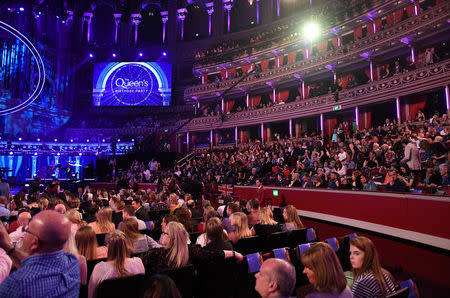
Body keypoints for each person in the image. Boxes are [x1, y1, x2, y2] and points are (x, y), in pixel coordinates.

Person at [0, 210, 80, 297]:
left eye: (26, 230)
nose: (24, 234)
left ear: (35, 243)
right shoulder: (73, 262)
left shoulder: (16, 284)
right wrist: (8, 247)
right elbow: (34, 265)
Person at [142, 222, 242, 275]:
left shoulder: (155, 254)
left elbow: (213, 254)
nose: (162, 235)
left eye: (164, 233)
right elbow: (213, 254)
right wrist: (234, 253)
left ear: (171, 237)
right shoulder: (191, 250)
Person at [88, 230, 145, 298]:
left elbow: (91, 295)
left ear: (107, 246)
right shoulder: (138, 262)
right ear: (126, 245)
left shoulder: (99, 268)